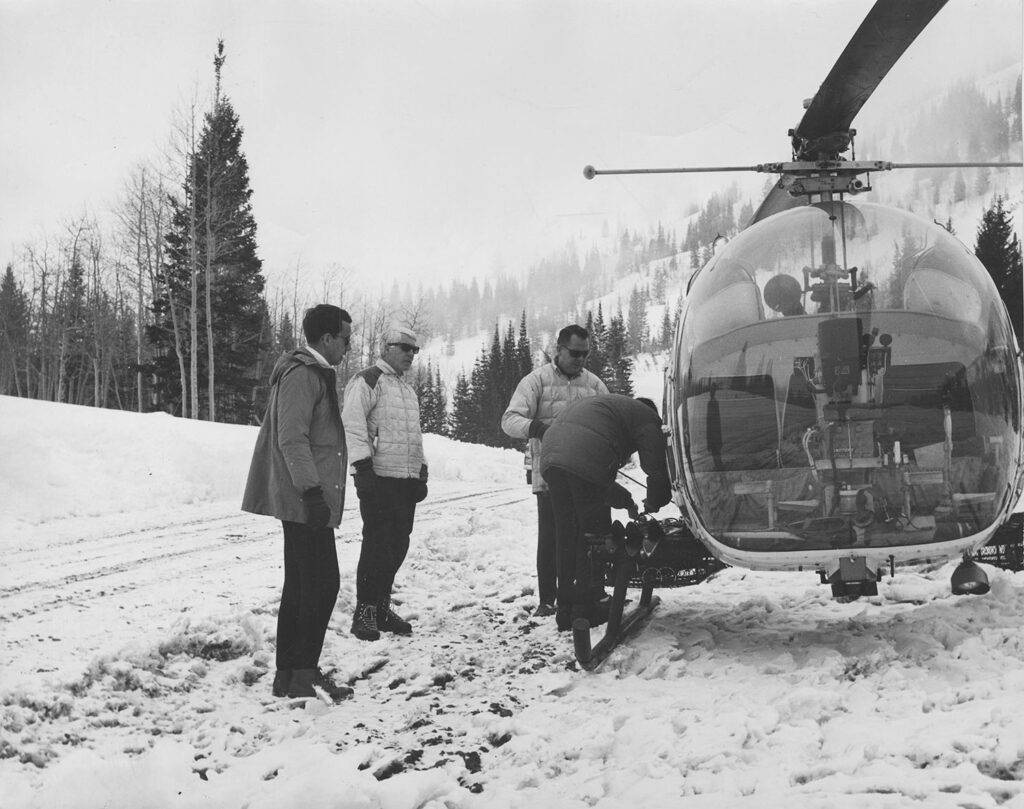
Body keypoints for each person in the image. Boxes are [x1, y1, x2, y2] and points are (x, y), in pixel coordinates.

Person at [241, 304, 352, 700]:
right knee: (321, 585)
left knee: (305, 584)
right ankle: (300, 672)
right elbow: (292, 438)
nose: (348, 346)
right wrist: (312, 492)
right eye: (345, 338)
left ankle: (291, 675)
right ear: (326, 339)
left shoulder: (312, 373)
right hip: (306, 499)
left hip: (307, 497)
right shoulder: (304, 375)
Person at [540, 394, 672, 631]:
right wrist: (654, 501)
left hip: (550, 456)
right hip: (582, 458)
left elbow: (600, 483)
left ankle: (565, 610)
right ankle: (586, 609)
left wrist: (628, 502)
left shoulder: (611, 410)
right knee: (592, 538)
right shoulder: (648, 417)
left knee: (567, 536)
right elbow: (656, 468)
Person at [501, 324, 608, 618]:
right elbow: (509, 420)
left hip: (586, 477)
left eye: (585, 354)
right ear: (558, 350)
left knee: (584, 537)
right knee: (551, 537)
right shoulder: (536, 381)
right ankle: (548, 599)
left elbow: (608, 423)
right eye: (574, 353)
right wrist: (535, 427)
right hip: (549, 475)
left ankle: (586, 593)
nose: (580, 359)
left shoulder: (595, 385)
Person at [343, 325, 428, 641]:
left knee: (398, 544)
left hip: (404, 481)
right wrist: (362, 470)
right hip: (378, 479)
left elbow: (413, 436)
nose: (410, 354)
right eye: (405, 348)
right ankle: (364, 612)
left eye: (414, 350)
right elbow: (353, 427)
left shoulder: (406, 389)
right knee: (377, 544)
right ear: (386, 347)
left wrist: (421, 472)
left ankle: (380, 607)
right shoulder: (366, 381)